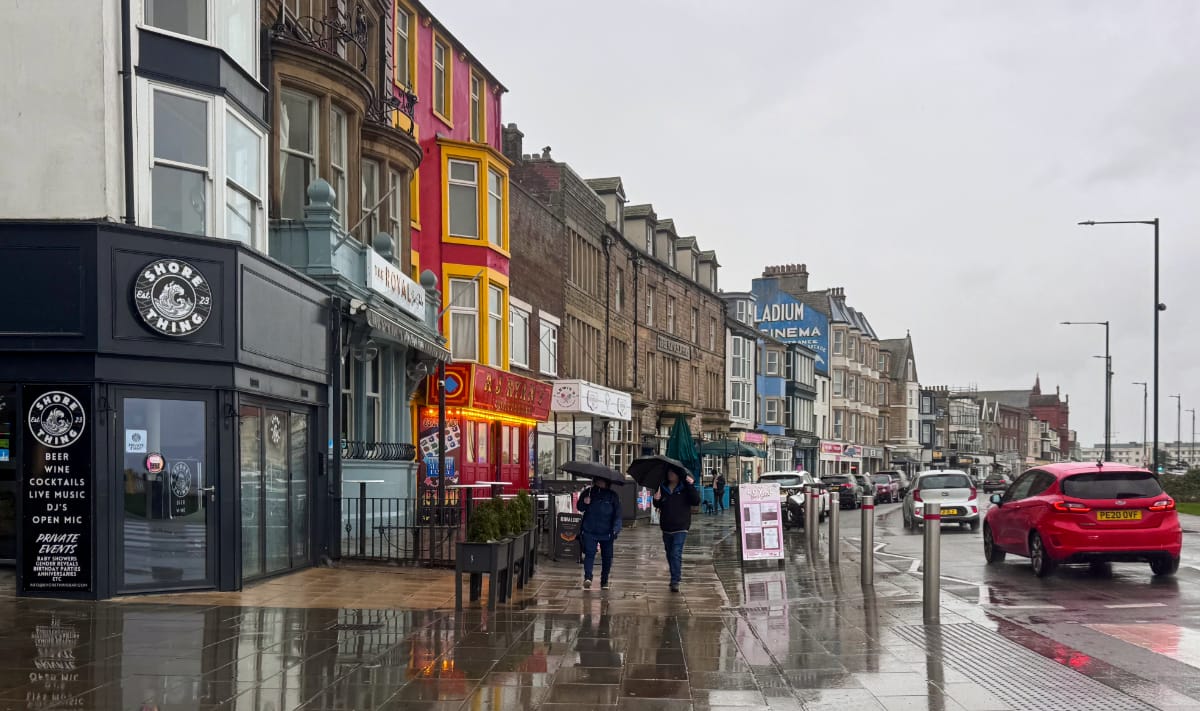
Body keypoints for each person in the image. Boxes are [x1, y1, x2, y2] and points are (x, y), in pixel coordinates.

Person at [653, 468, 701, 592]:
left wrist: (690, 485)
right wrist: (656, 500)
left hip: (681, 527)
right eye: (668, 472)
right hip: (666, 527)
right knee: (670, 554)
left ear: (678, 475)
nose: (670, 475)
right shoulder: (663, 487)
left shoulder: (685, 488)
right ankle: (674, 576)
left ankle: (675, 580)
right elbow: (659, 505)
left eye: (672, 473)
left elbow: (696, 500)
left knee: (675, 553)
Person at [576, 477, 622, 589]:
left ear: (607, 482)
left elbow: (618, 515)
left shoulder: (612, 496)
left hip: (607, 532)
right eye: (598, 480)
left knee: (607, 557)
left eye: (602, 481)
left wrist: (616, 529)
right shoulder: (588, 492)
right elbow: (580, 507)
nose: (600, 482)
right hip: (589, 530)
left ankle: (604, 580)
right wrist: (584, 502)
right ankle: (588, 577)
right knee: (589, 554)